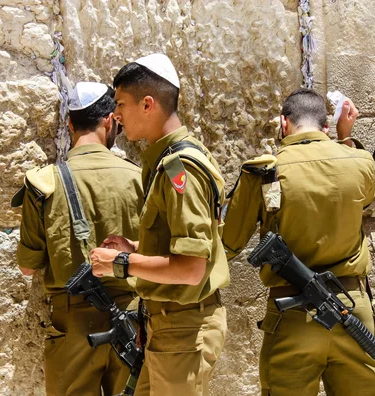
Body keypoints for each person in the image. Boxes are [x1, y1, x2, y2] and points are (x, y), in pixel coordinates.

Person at [221, 88, 375, 396]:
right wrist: (345, 137)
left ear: (283, 124)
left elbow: (229, 244)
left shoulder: (263, 170)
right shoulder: (359, 162)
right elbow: (366, 193)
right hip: (352, 309)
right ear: (326, 126)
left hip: (294, 311)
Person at [89, 53, 229, 396]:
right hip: (165, 325)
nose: (116, 115)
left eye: (121, 103)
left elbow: (192, 268)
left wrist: (120, 264)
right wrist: (137, 249)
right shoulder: (165, 160)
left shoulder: (179, 168)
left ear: (148, 104)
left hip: (182, 329)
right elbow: (177, 247)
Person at [12, 82, 149, 395]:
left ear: (71, 124)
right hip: (132, 319)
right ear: (109, 120)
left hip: (72, 322)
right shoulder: (138, 177)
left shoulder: (44, 182)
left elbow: (28, 268)